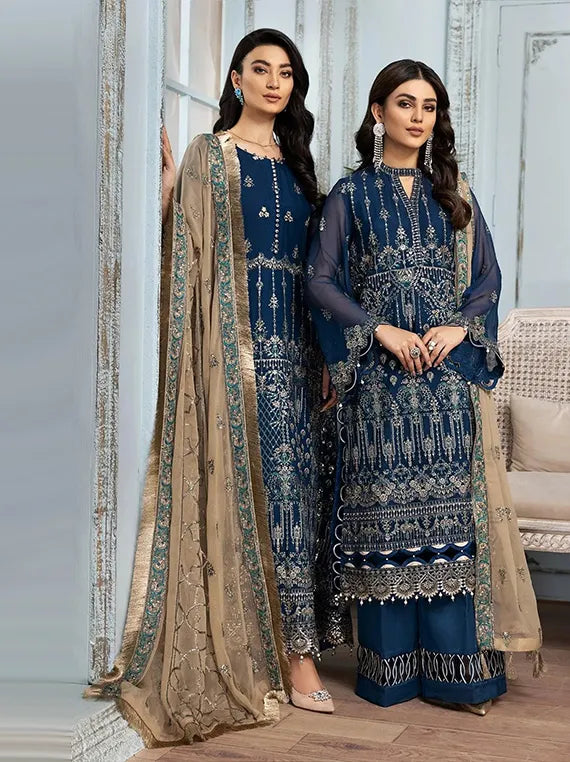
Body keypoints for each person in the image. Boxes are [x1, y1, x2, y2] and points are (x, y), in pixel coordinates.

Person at [87, 28, 333, 746]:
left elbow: (317, 274)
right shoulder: (210, 154)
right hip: (236, 356)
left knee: (294, 500)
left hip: (297, 351)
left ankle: (293, 646)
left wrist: (325, 358)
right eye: (261, 69)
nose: (274, 82)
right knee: (255, 493)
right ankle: (291, 661)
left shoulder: (298, 166)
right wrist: (169, 199)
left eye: (286, 72)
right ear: (235, 79)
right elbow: (191, 255)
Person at [306, 59, 543, 714]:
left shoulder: (453, 194)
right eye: (405, 103)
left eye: (429, 107)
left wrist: (459, 327)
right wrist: (379, 330)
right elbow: (320, 280)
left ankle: (457, 676)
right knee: (385, 523)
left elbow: (487, 278)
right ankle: (391, 675)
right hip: (379, 387)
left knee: (449, 522)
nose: (418, 117)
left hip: (445, 384)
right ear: (377, 113)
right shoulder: (349, 196)